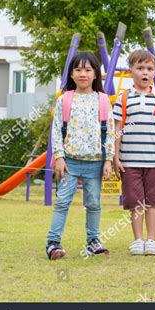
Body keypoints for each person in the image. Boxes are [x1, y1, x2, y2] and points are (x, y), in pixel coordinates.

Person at [46, 51, 114, 260]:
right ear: (71, 74)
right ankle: (53, 243)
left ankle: (93, 242)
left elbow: (110, 131)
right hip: (69, 162)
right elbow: (56, 129)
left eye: (88, 69)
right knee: (62, 202)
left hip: (95, 162)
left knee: (93, 203)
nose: (82, 73)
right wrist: (59, 156)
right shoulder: (64, 100)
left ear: (95, 74)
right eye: (78, 69)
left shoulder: (103, 100)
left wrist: (109, 159)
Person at [113, 49, 155, 256]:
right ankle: (138, 240)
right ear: (131, 72)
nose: (145, 72)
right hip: (130, 161)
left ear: (154, 72)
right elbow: (118, 128)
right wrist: (115, 156)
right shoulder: (124, 98)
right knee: (135, 202)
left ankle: (152, 241)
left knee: (153, 201)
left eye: (149, 68)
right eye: (140, 68)